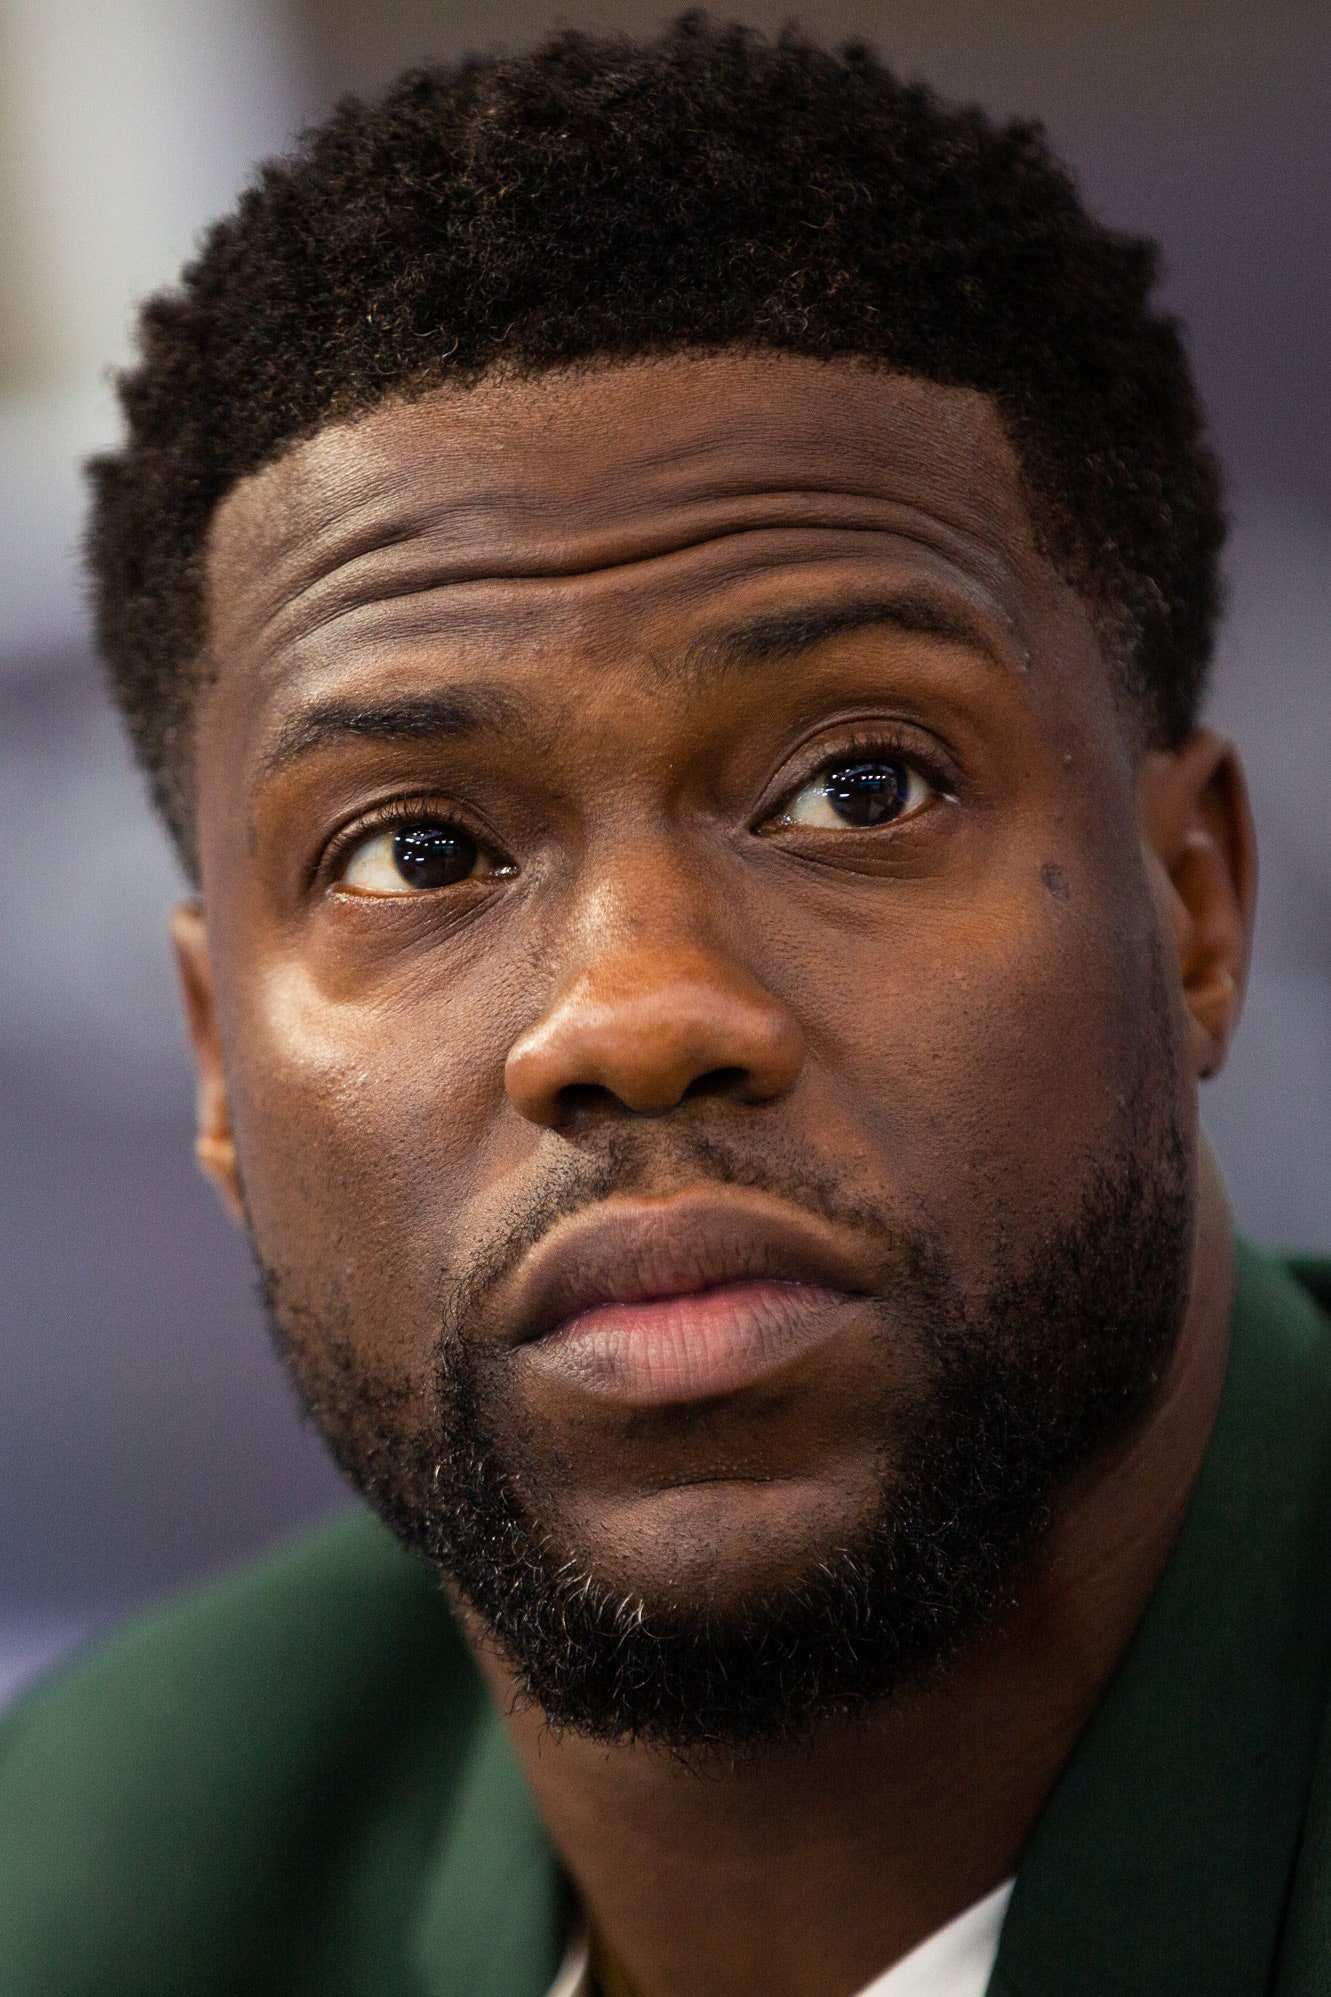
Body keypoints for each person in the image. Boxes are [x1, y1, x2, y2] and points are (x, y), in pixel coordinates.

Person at [2, 16, 1328, 1995]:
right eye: (418, 852)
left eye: (859, 789)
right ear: (213, 1062)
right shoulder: (102, 1887)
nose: (634, 1017)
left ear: (1197, 903)